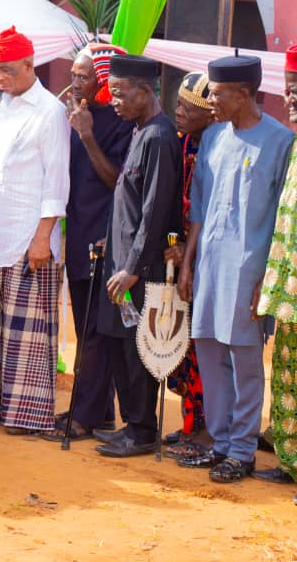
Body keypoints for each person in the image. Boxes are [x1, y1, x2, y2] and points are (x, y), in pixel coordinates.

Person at [177, 55, 295, 483]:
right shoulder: (212, 139)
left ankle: (243, 452)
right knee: (209, 352)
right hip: (208, 265)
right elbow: (201, 210)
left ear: (243, 94)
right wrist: (188, 265)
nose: (211, 101)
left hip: (250, 271)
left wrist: (266, 278)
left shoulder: (281, 142)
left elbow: (282, 219)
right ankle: (222, 443)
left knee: (245, 362)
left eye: (218, 93)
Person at [0, 26, 70, 435]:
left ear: (31, 66)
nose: (1, 78)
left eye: (8, 70)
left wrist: (43, 237)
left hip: (30, 238)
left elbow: (56, 181)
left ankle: (26, 415)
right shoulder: (4, 103)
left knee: (25, 329)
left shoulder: (50, 110)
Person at [87, 55, 182, 457]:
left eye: (121, 94)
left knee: (135, 349)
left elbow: (155, 211)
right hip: (120, 261)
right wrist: (112, 242)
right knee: (116, 342)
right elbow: (130, 202)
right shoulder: (141, 131)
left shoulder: (160, 137)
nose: (114, 101)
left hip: (139, 271)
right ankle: (131, 424)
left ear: (145, 91)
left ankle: (143, 432)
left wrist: (132, 267)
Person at [41, 43, 134, 441]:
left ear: (104, 83)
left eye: (82, 77)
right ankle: (98, 412)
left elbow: (117, 181)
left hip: (105, 237)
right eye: (72, 75)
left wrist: (87, 136)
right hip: (78, 236)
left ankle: (83, 417)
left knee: (97, 332)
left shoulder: (119, 121)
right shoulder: (82, 114)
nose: (73, 83)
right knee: (86, 329)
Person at [160, 72, 215, 458]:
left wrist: (189, 257)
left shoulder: (215, 153)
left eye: (187, 108)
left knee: (202, 347)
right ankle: (190, 424)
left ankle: (207, 430)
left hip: (205, 262)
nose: (178, 113)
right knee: (181, 345)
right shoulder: (182, 146)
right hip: (178, 257)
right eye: (177, 104)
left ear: (209, 115)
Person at [253, 44, 297, 487]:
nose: (292, 98)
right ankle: (290, 461)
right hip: (288, 295)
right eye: (288, 89)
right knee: (286, 381)